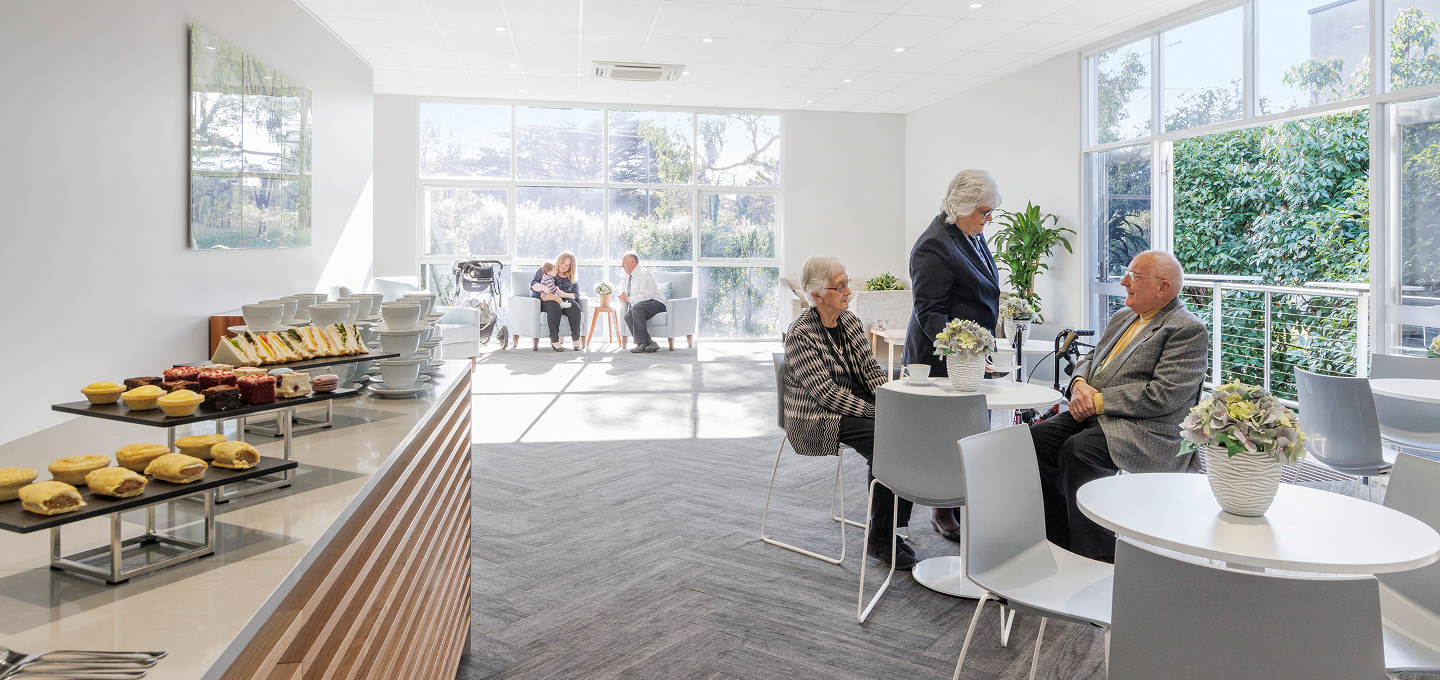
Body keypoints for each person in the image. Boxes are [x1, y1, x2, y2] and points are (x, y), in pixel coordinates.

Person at [1029, 250, 1208, 563]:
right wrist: (1079, 386)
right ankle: (1061, 541)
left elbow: (1163, 395)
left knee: (1079, 450)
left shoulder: (1186, 329)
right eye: (1127, 274)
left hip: (1149, 429)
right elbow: (1089, 359)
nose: (1124, 281)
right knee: (1037, 439)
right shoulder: (1123, 317)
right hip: (1101, 414)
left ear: (1163, 288)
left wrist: (1095, 401)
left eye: (1135, 276)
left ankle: (1096, 557)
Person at [784, 255, 916, 569]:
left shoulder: (850, 322)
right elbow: (826, 394)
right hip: (816, 416)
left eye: (848, 282)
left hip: (850, 403)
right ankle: (880, 536)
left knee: (908, 429)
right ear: (816, 295)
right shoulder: (801, 335)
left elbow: (871, 372)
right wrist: (878, 413)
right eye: (840, 286)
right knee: (886, 440)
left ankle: (889, 526)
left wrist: (891, 402)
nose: (848, 291)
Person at [901, 168, 1002, 542]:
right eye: (983, 212)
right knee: (938, 440)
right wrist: (962, 351)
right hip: (941, 360)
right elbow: (930, 311)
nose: (987, 220)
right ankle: (940, 507)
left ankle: (958, 500)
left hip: (971, 358)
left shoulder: (970, 233)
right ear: (959, 206)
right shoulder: (934, 245)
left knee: (971, 432)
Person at [529, 251, 583, 352]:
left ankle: (576, 339)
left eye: (567, 266)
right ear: (559, 260)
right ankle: (554, 340)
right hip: (547, 299)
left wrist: (564, 294)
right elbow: (533, 284)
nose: (563, 267)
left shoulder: (571, 277)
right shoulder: (547, 269)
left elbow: (576, 295)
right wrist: (543, 287)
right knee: (554, 306)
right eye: (562, 263)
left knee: (574, 306)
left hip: (564, 300)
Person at [619, 252, 665, 354]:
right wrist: (623, 297)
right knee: (627, 316)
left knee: (636, 308)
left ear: (632, 262)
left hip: (656, 302)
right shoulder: (627, 275)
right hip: (642, 305)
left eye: (624, 262)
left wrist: (629, 299)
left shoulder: (643, 273)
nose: (622, 265)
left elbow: (647, 295)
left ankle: (642, 343)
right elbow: (626, 293)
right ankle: (650, 343)